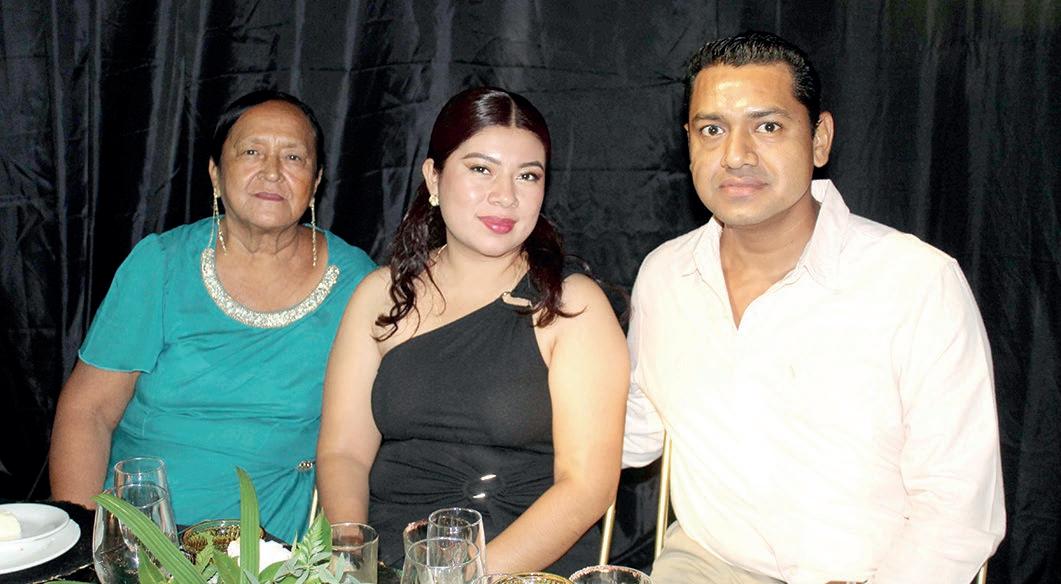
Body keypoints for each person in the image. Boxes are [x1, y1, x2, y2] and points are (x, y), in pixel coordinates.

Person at [622, 32, 1005, 583]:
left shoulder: (917, 284)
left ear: (819, 139)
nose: (736, 155)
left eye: (768, 127)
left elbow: (959, 511)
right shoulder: (665, 276)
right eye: (712, 130)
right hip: (705, 565)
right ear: (689, 143)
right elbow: (630, 433)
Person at [316, 86, 628, 574]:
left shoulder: (572, 306)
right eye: (481, 169)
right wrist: (355, 557)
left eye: (528, 175)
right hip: (387, 555)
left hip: (519, 562)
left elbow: (587, 487)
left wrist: (464, 576)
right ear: (433, 177)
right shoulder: (381, 295)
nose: (505, 196)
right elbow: (343, 453)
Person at [48, 90, 375, 542]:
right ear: (215, 173)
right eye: (251, 152)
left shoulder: (359, 283)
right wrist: (84, 543)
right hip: (141, 536)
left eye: (293, 157)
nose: (272, 171)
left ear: (316, 179)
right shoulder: (161, 264)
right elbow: (88, 412)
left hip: (272, 548)